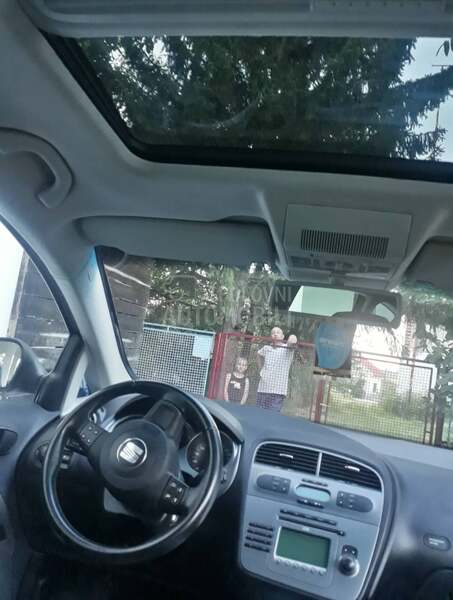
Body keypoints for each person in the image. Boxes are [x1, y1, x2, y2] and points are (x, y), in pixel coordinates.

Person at [256, 327, 298, 412]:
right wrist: (260, 369)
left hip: (277, 392)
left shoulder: (287, 349)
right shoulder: (266, 348)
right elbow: (258, 354)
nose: (275, 334)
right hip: (262, 389)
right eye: (273, 333)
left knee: (273, 416)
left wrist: (292, 337)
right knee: (259, 414)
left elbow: (292, 341)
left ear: (283, 336)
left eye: (278, 332)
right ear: (270, 336)